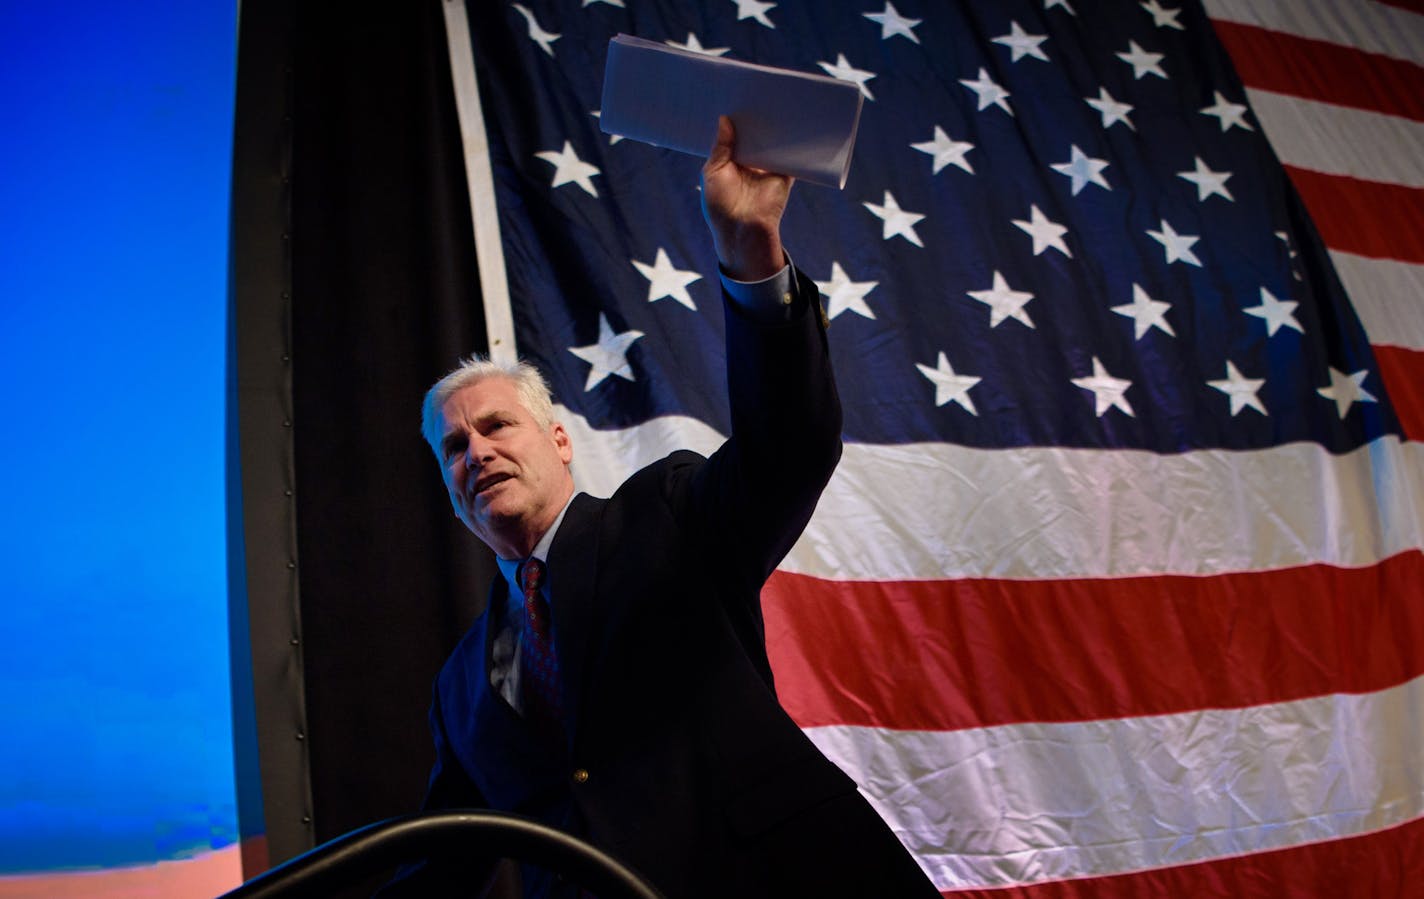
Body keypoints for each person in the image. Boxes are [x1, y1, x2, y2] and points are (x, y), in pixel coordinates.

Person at [389, 117, 939, 898]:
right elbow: (437, 867)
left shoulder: (668, 515)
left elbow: (789, 448)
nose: (474, 452)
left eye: (496, 426)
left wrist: (752, 256)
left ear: (558, 439)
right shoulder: (458, 689)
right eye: (452, 447)